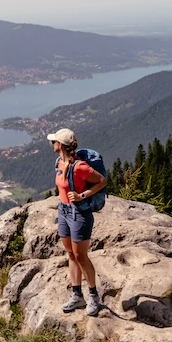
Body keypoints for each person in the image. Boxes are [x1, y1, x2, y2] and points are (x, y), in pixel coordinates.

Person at [48, 127, 107, 317]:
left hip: (79, 213)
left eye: (54, 141)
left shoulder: (80, 166)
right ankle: (76, 295)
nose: (52, 144)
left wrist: (82, 195)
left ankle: (93, 296)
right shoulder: (59, 162)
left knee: (81, 255)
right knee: (70, 254)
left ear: (60, 145)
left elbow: (102, 181)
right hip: (64, 211)